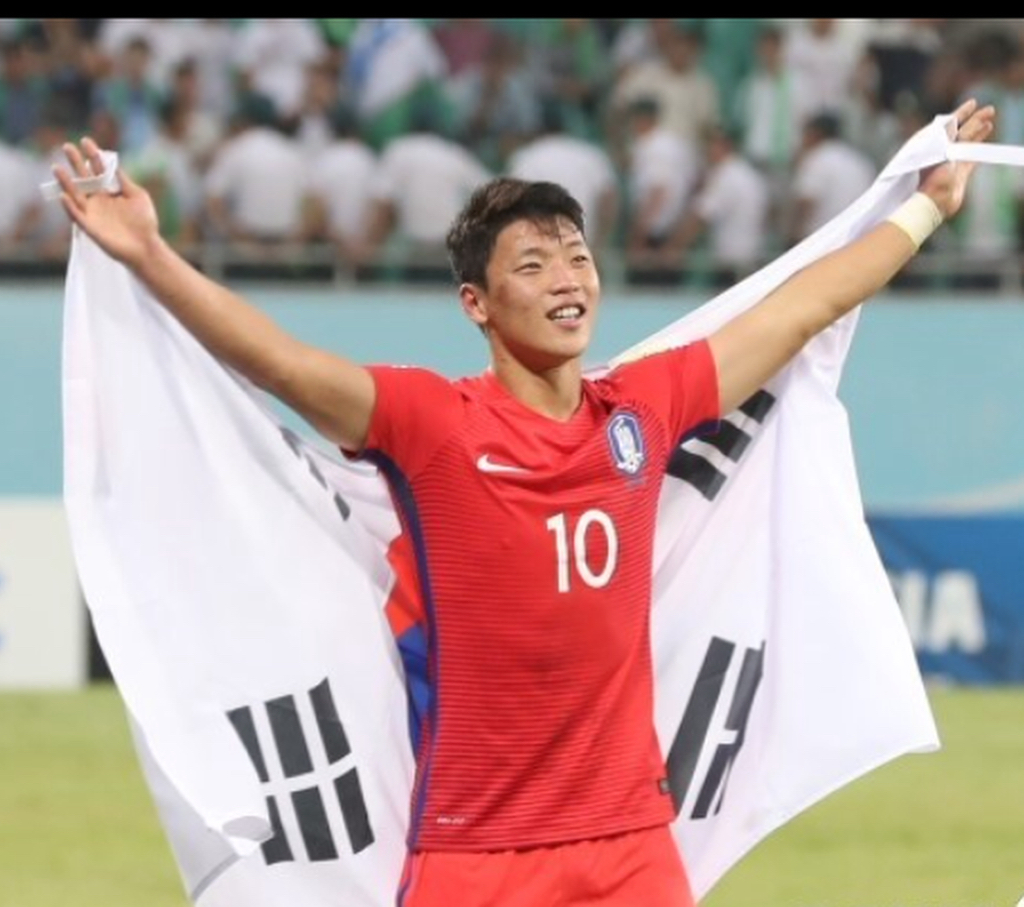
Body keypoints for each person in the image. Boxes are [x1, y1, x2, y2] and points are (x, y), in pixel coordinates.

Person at [51, 98, 995, 907]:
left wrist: (924, 209)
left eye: (576, 257)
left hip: (631, 844)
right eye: (533, 266)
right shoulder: (432, 423)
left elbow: (799, 310)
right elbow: (281, 365)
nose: (567, 279)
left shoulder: (643, 408)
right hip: (476, 854)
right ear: (478, 303)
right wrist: (150, 256)